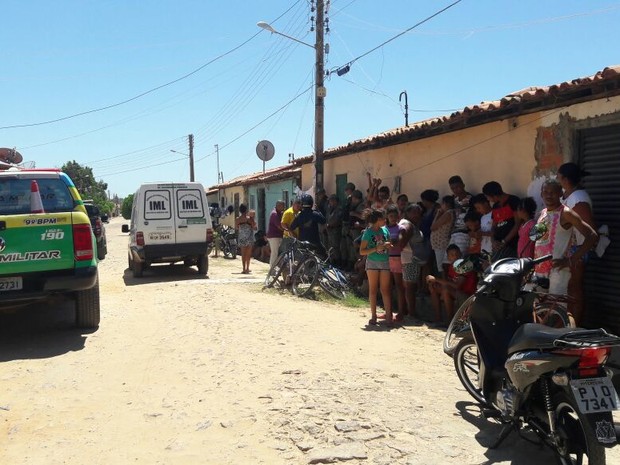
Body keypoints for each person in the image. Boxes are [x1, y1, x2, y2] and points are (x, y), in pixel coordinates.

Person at [533, 179, 598, 298]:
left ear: (560, 194)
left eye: (553, 192)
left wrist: (571, 260)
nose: (548, 195)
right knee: (540, 309)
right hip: (540, 270)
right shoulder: (542, 213)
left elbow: (592, 236)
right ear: (541, 194)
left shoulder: (566, 213)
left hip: (558, 271)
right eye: (545, 191)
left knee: (557, 310)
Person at [557, 162, 596, 325]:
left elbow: (590, 233)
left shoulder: (579, 199)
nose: (556, 178)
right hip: (565, 249)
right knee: (565, 289)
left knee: (574, 289)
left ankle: (574, 326)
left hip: (576, 250)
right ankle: (564, 322)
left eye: (558, 175)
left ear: (564, 178)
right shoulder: (566, 196)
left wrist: (574, 257)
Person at [426, 244, 477, 325]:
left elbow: (457, 286)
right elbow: (450, 283)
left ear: (460, 254)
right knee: (433, 286)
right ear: (448, 257)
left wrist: (437, 279)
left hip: (467, 296)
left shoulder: (464, 265)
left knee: (445, 289)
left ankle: (450, 321)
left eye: (457, 254)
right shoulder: (452, 266)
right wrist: (436, 282)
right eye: (452, 255)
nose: (455, 256)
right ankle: (438, 318)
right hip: (457, 293)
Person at [359, 208, 393, 326]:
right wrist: (375, 249)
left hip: (384, 262)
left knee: (385, 290)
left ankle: (389, 317)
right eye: (383, 218)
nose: (385, 220)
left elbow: (389, 243)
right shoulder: (368, 233)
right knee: (373, 290)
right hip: (373, 262)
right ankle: (374, 316)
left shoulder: (385, 230)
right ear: (378, 220)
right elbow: (362, 251)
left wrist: (388, 245)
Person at [398, 203, 425, 322]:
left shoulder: (407, 223)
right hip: (410, 259)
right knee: (410, 287)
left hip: (407, 258)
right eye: (414, 212)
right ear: (407, 213)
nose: (417, 215)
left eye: (418, 212)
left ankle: (405, 311)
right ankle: (411, 314)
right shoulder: (408, 225)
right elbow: (402, 242)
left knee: (407, 286)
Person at [482, 181, 520, 260]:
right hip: (498, 245)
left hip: (510, 244)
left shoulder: (513, 201)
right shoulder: (496, 206)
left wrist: (504, 241)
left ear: (494, 196)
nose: (488, 200)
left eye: (488, 197)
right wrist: (493, 241)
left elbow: (517, 224)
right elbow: (494, 226)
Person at [386, 205, 406, 321]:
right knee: (387, 286)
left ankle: (400, 312)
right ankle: (388, 311)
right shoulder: (384, 228)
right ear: (387, 217)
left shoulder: (400, 228)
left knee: (399, 285)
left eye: (395, 216)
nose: (393, 218)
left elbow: (400, 240)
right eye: (390, 216)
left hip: (397, 257)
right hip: (386, 258)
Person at [430, 195, 455, 276]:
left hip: (442, 243)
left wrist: (438, 214)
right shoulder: (449, 213)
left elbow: (433, 227)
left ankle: (444, 284)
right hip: (440, 243)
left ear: (445, 204)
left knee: (441, 266)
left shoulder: (448, 213)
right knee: (441, 265)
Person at [448, 176, 473, 256]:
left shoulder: (471, 199)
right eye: (453, 188)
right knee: (447, 262)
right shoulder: (454, 200)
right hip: (454, 232)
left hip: (464, 233)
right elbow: (454, 217)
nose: (455, 190)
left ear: (463, 185)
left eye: (457, 187)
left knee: (459, 259)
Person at [235, 204, 257, 274]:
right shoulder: (249, 219)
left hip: (242, 237)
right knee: (248, 254)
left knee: (243, 254)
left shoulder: (238, 219)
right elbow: (254, 227)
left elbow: (236, 228)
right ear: (246, 210)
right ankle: (247, 268)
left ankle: (244, 268)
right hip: (249, 237)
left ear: (240, 210)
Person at [265, 200, 285, 268]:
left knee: (277, 253)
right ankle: (272, 269)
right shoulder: (275, 214)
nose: (284, 207)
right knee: (274, 253)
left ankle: (275, 268)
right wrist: (286, 231)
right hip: (274, 236)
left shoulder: (279, 213)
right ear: (278, 206)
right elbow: (279, 226)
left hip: (277, 236)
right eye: (283, 206)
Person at [325, 194, 343, 265]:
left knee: (336, 247)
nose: (330, 202)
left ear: (335, 201)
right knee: (331, 247)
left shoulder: (339, 209)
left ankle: (337, 262)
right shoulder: (330, 209)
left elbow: (338, 220)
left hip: (336, 230)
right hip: (330, 231)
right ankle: (332, 261)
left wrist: (330, 225)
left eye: (331, 201)